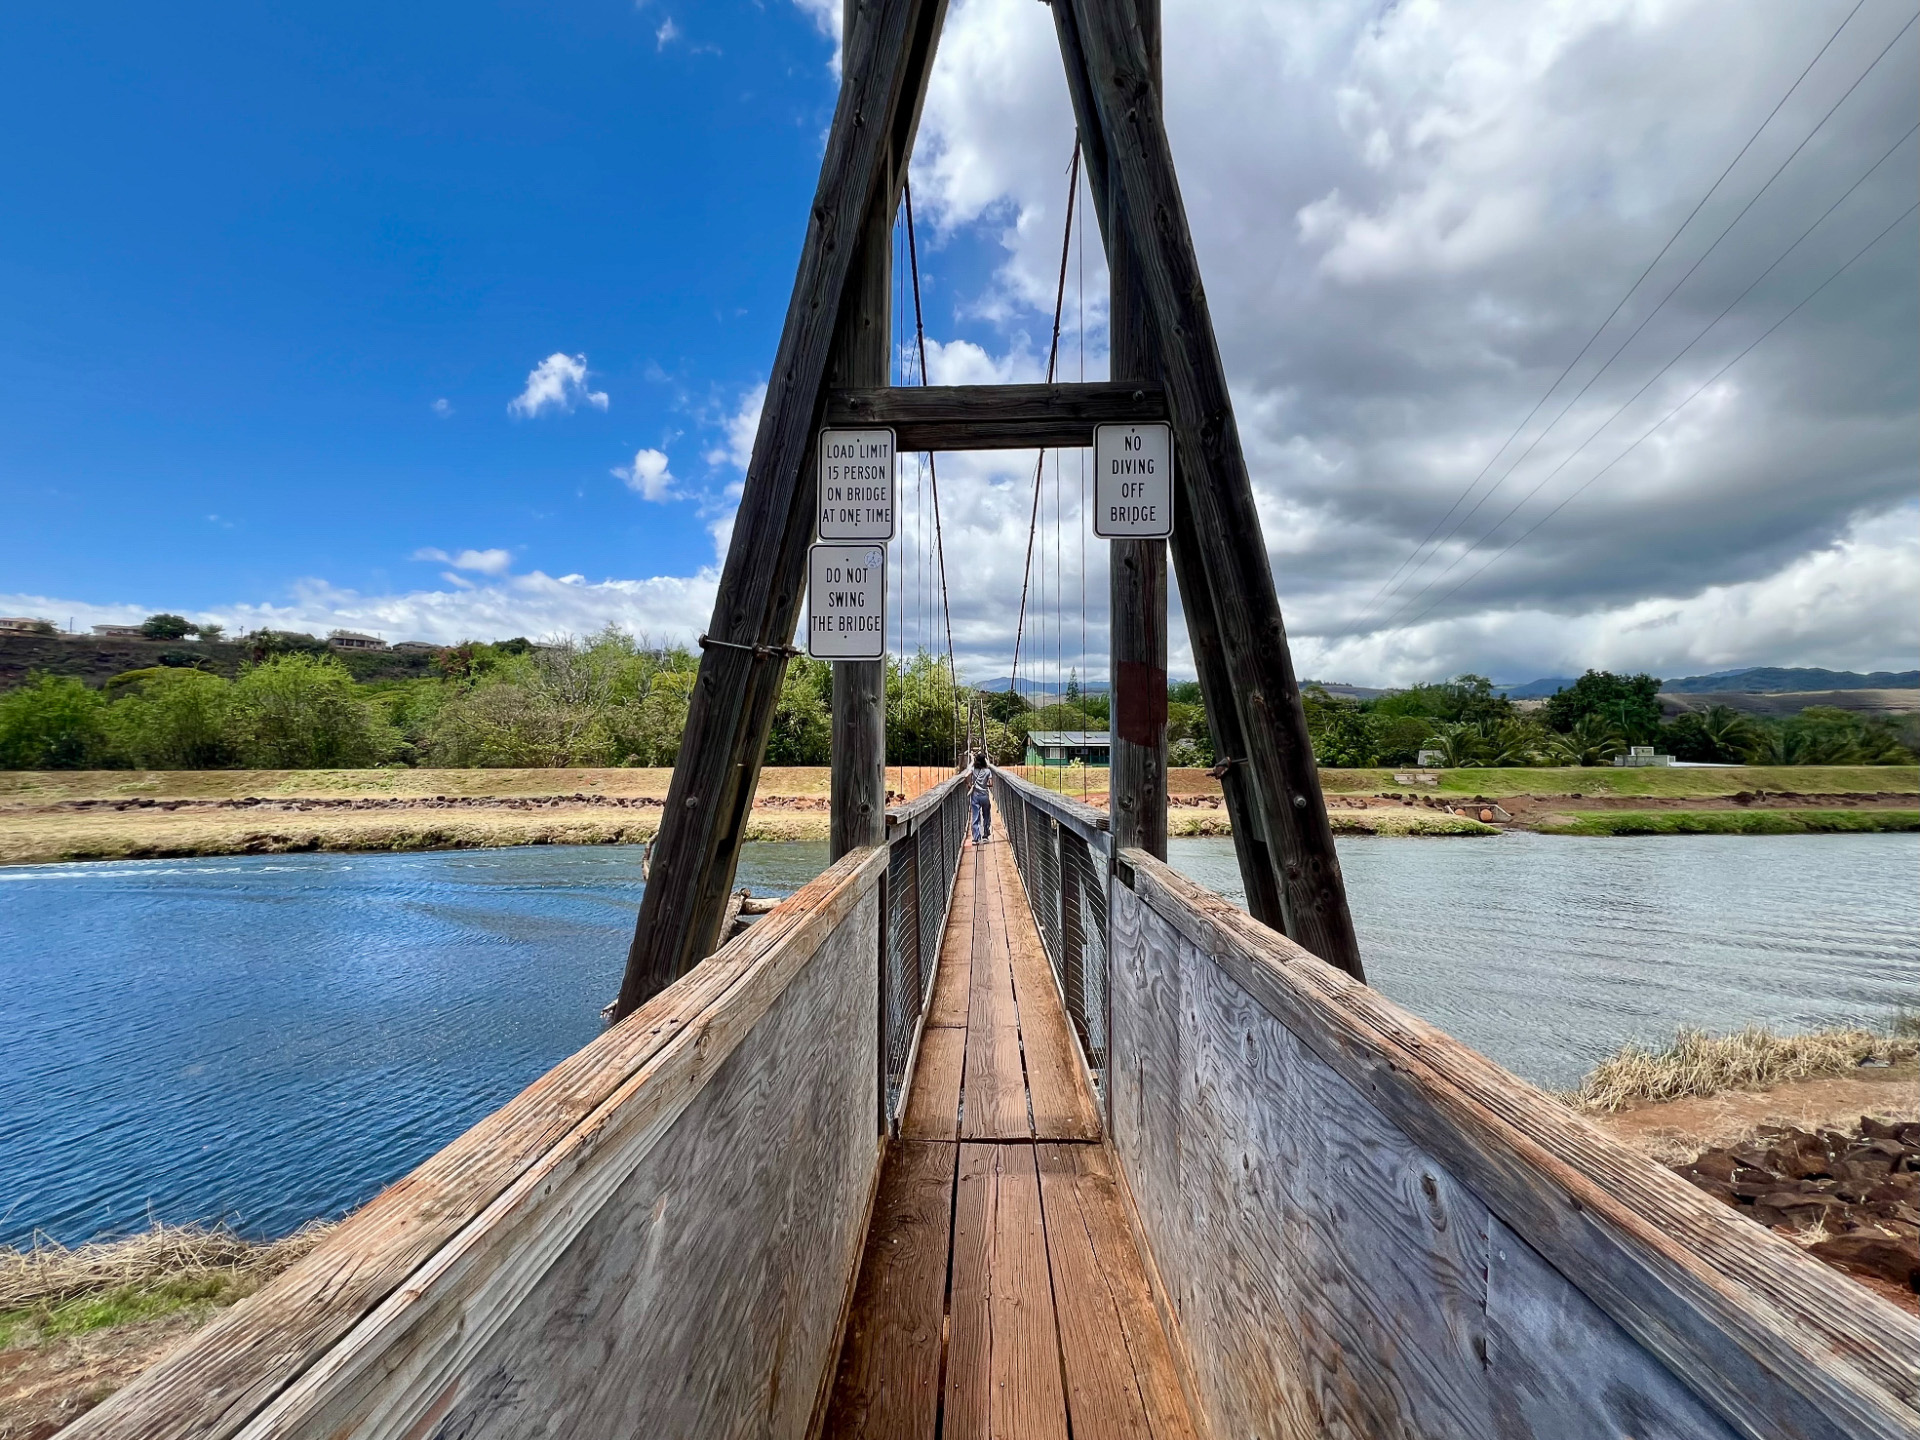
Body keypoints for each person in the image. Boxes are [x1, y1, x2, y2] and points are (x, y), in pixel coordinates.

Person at [968, 751, 992, 843]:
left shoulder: (973, 769)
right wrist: (985, 785)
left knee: (975, 816)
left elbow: (966, 776)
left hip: (975, 796)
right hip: (985, 796)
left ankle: (976, 838)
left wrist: (969, 784)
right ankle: (985, 836)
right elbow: (991, 784)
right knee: (986, 815)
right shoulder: (987, 771)